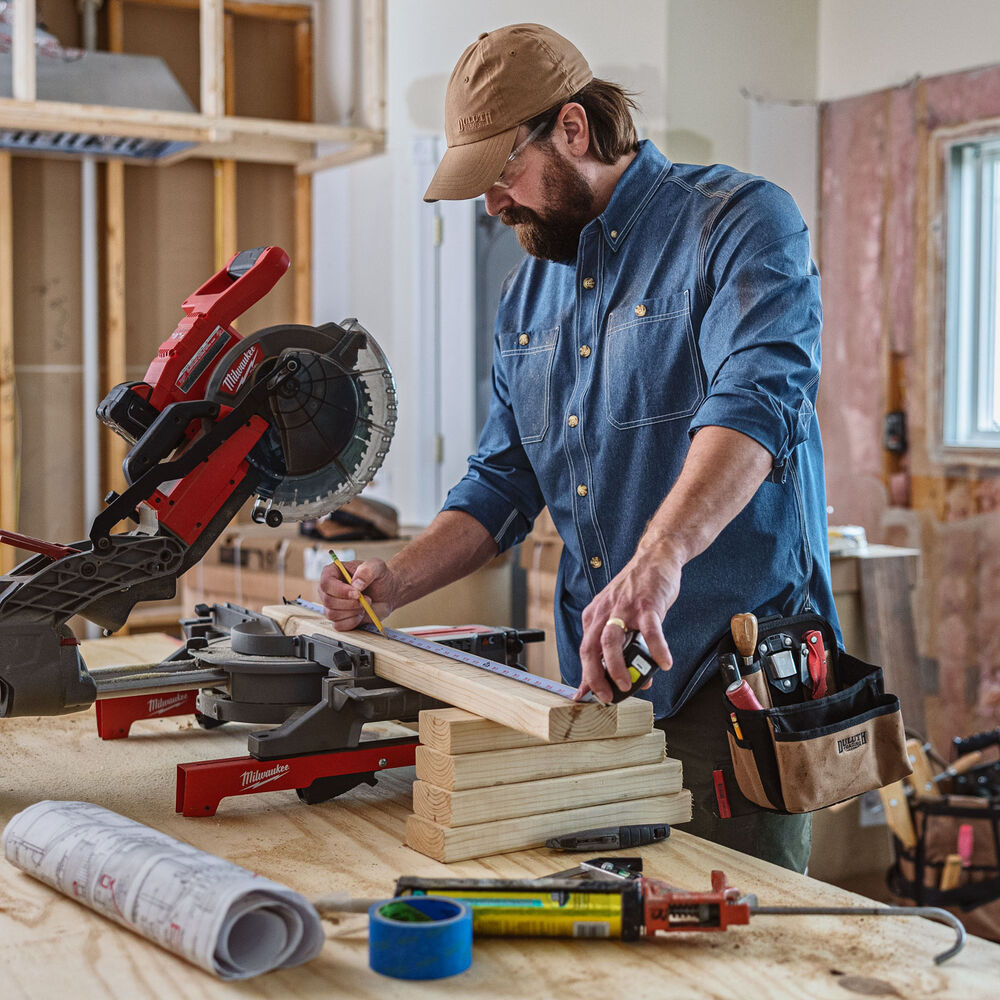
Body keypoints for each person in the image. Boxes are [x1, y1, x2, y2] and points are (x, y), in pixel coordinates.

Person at [318, 22, 840, 872]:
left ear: (572, 128)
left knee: (736, 942)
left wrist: (659, 557)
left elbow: (757, 403)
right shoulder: (527, 299)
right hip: (596, 692)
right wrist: (395, 583)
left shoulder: (740, 223)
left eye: (503, 176)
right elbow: (501, 482)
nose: (494, 205)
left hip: (729, 685)